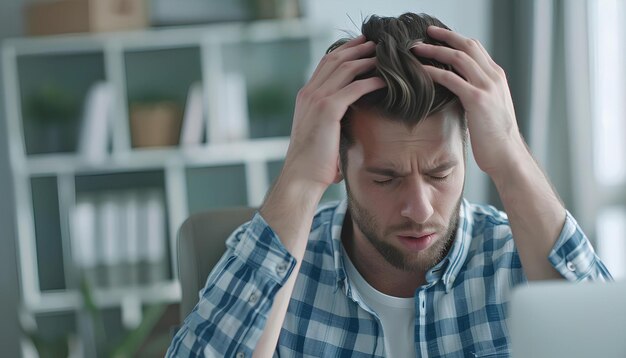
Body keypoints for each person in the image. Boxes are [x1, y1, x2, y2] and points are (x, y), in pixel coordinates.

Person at [167, 12, 611, 358]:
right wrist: (300, 176)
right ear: (338, 162)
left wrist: (513, 159)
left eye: (440, 174)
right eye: (386, 178)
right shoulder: (277, 268)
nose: (419, 209)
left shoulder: (516, 258)